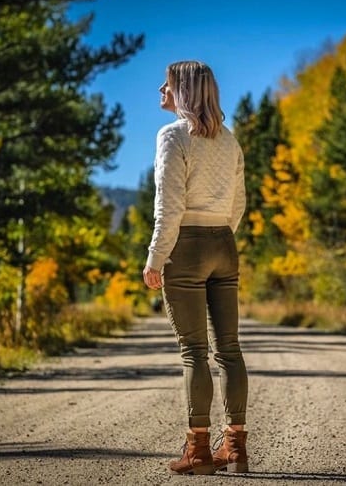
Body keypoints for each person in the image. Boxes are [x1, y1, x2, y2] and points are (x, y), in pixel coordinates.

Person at [143, 60, 249, 475]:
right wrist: (220, 234)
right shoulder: (230, 141)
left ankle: (199, 450)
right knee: (230, 349)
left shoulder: (172, 137)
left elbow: (168, 207)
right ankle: (236, 449)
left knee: (194, 352)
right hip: (224, 242)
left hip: (185, 246)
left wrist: (156, 257)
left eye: (166, 83)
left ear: (182, 90)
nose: (160, 89)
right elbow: (238, 203)